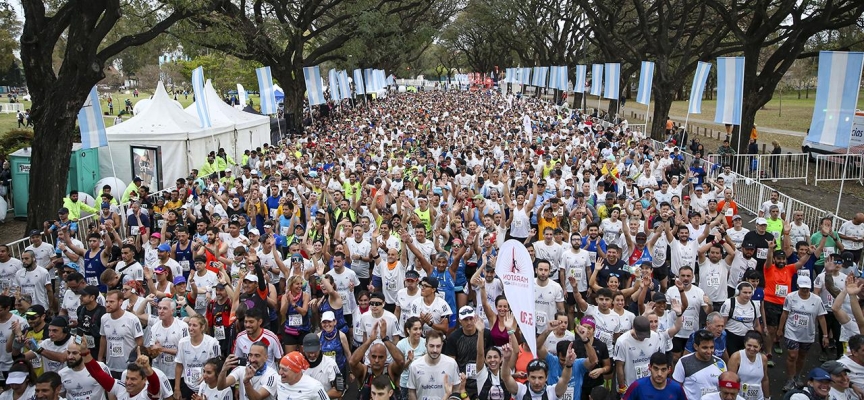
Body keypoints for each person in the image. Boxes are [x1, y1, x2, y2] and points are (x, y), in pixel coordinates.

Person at [779, 275, 828, 391]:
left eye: (807, 288)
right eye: (802, 288)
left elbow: (821, 318)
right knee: (792, 355)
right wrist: (780, 329)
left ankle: (797, 375)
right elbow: (785, 313)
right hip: (792, 331)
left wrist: (825, 335)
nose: (805, 290)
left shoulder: (817, 300)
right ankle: (790, 379)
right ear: (798, 286)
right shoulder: (790, 297)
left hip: (807, 333)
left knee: (801, 356)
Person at [78, 335, 163, 400]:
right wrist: (85, 352)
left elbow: (155, 385)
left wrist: (147, 368)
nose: (128, 382)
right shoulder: (121, 388)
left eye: (133, 379)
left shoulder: (147, 394)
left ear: (144, 380)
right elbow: (97, 373)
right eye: (127, 378)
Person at [99, 290, 144, 379]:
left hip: (128, 367)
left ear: (120, 302)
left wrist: (135, 359)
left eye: (111, 302)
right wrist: (100, 358)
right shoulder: (104, 318)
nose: (108, 304)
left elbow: (139, 341)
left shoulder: (132, 319)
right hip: (110, 365)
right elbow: (103, 338)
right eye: (107, 301)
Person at [174, 315, 221, 399]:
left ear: (202, 327)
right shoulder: (182, 342)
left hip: (206, 385)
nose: (190, 328)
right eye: (189, 325)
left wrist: (206, 375)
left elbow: (218, 366)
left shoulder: (212, 343)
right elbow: (179, 366)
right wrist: (177, 388)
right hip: (187, 385)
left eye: (194, 325)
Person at [407, 330, 462, 400]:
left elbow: (457, 389)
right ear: (426, 344)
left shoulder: (451, 364)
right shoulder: (415, 366)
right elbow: (411, 392)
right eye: (431, 346)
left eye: (438, 346)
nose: (435, 350)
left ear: (442, 345)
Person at [673, 329, 727, 400]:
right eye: (705, 348)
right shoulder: (684, 362)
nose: (709, 351)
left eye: (711, 347)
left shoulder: (720, 363)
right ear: (695, 346)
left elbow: (724, 388)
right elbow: (676, 389)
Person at [615, 316, 666, 389]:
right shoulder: (622, 341)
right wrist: (622, 387)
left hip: (650, 384)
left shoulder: (655, 336)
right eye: (640, 335)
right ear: (633, 327)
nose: (642, 338)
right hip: (630, 385)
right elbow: (619, 366)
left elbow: (657, 361)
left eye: (645, 335)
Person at [622, 352, 688, 400]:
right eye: (656, 368)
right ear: (649, 367)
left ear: (669, 370)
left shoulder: (676, 388)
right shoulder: (637, 386)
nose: (659, 374)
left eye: (663, 369)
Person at [728, 331, 770, 400]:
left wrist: (767, 397)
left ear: (760, 346)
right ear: (745, 344)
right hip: (739, 397)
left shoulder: (763, 359)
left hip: (758, 397)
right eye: (749, 345)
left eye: (755, 346)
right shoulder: (736, 357)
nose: (752, 349)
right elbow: (730, 380)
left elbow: (765, 379)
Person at [300, 333, 343, 398]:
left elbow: (339, 391)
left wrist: (316, 397)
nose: (312, 355)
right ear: (303, 348)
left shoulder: (330, 363)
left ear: (320, 346)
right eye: (309, 352)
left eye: (315, 351)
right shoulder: (297, 365)